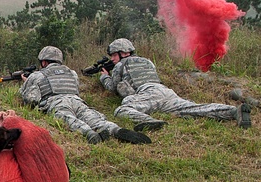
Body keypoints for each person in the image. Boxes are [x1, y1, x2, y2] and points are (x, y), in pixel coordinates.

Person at [98, 38, 251, 131]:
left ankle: (149, 121)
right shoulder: (148, 61)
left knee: (122, 109)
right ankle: (233, 111)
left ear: (123, 53)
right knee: (193, 109)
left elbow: (113, 87)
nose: (112, 59)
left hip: (146, 94)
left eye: (113, 55)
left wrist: (104, 77)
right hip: (165, 92)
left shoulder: (120, 65)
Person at [19, 46, 150, 144]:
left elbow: (30, 99)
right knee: (94, 118)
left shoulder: (38, 75)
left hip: (56, 102)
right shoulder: (72, 73)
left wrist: (26, 84)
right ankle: (115, 129)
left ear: (44, 62)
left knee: (68, 119)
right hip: (77, 101)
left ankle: (89, 133)